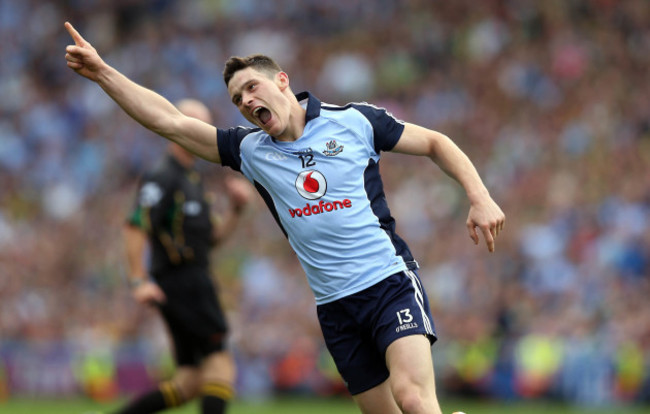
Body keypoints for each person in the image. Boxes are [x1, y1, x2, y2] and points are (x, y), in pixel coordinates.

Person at [64, 21, 505, 414]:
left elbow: (436, 142)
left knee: (413, 399)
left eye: (252, 87)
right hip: (335, 307)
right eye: (237, 98)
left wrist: (479, 196)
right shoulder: (249, 150)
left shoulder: (354, 122)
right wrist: (103, 72)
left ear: (282, 81)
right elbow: (170, 123)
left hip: (388, 282)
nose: (245, 100)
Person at [117, 99, 252, 414]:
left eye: (206, 126)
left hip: (190, 279)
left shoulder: (192, 179)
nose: (202, 132)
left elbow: (211, 240)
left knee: (190, 381)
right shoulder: (164, 176)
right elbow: (135, 225)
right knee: (221, 365)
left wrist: (235, 210)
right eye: (196, 124)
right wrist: (138, 279)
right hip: (183, 281)